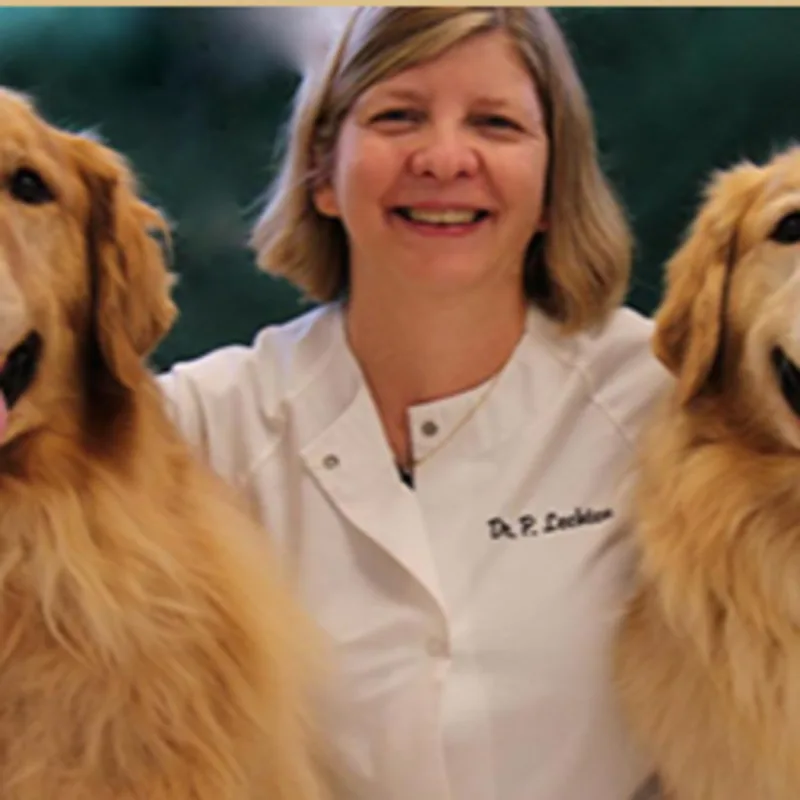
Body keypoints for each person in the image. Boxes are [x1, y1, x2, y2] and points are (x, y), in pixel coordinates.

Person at [159, 8, 669, 800]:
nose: (443, 157)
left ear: (550, 188)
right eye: (398, 116)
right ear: (324, 172)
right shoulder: (199, 426)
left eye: (495, 123)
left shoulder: (667, 400)